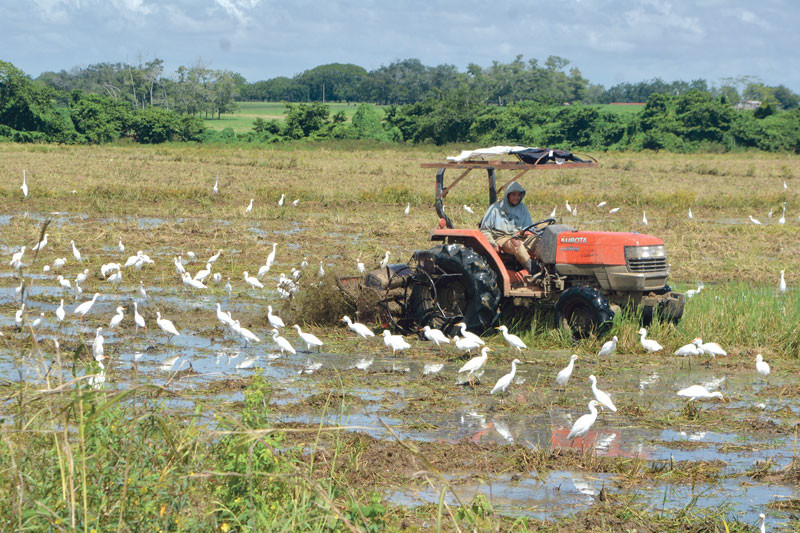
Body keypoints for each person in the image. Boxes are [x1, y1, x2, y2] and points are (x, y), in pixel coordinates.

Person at [479, 181, 540, 275]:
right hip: (501, 239)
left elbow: (528, 227)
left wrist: (527, 232)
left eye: (519, 195)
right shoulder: (495, 208)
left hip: (519, 236)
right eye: (514, 195)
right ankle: (534, 271)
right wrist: (492, 244)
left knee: (540, 240)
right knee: (516, 244)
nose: (516, 198)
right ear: (508, 195)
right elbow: (485, 230)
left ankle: (549, 270)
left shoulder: (522, 208)